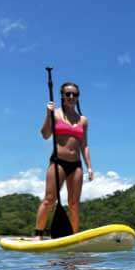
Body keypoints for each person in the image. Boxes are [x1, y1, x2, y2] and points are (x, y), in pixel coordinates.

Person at [34, 82, 94, 239]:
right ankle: (38, 234)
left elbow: (84, 145)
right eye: (68, 94)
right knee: (49, 199)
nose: (71, 97)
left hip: (76, 165)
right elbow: (45, 135)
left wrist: (89, 167)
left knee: (74, 204)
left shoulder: (83, 120)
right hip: (58, 162)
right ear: (62, 96)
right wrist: (48, 114)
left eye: (75, 94)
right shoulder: (55, 114)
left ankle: (74, 237)